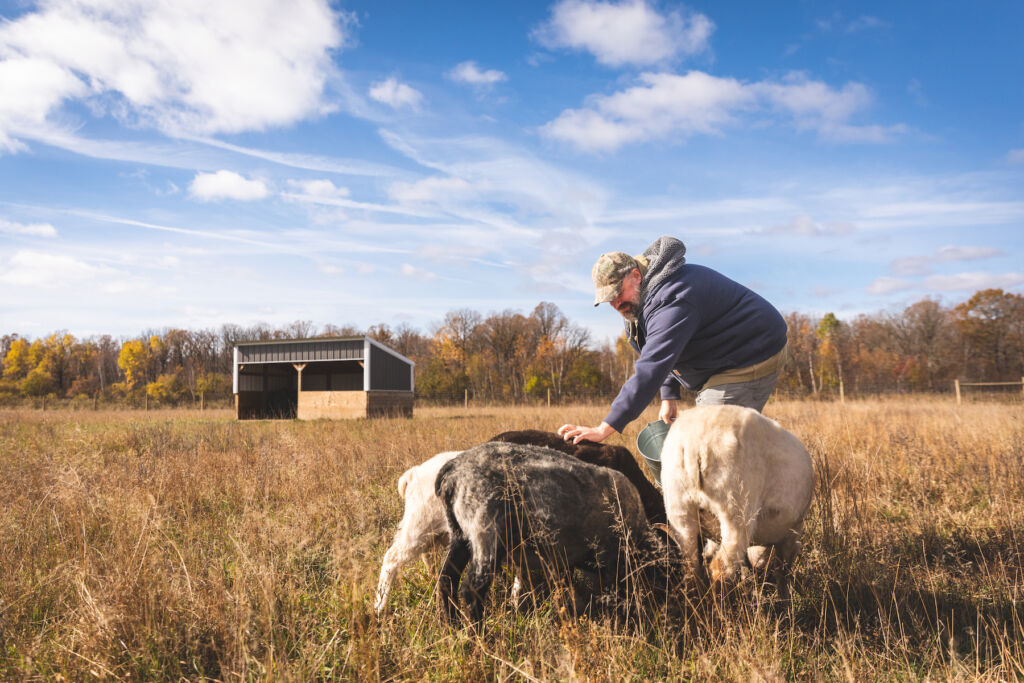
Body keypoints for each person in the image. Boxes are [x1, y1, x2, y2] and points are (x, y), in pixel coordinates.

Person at [558, 236, 788, 445]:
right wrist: (668, 395)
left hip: (750, 353)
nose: (616, 303)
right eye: (609, 299)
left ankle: (767, 480)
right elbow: (662, 347)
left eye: (617, 293)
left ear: (636, 276)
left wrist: (604, 428)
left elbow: (653, 364)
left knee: (709, 445)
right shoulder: (639, 301)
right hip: (718, 357)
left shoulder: (672, 299)